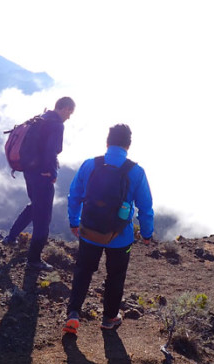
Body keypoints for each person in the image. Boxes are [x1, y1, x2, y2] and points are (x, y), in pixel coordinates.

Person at [63, 123, 154, 334]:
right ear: (128, 145)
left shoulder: (89, 165)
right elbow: (146, 208)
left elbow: (74, 195)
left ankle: (73, 314)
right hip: (120, 237)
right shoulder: (136, 172)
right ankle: (109, 318)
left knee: (83, 271)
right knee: (115, 276)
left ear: (107, 142)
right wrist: (147, 235)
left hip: (89, 232)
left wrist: (74, 222)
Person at [2, 97, 75, 271]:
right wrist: (52, 173)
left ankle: (11, 237)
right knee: (43, 218)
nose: (69, 117)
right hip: (42, 174)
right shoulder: (56, 124)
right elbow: (52, 150)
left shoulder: (41, 117)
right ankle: (34, 259)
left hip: (29, 171)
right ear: (64, 109)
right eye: (70, 113)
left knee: (36, 206)